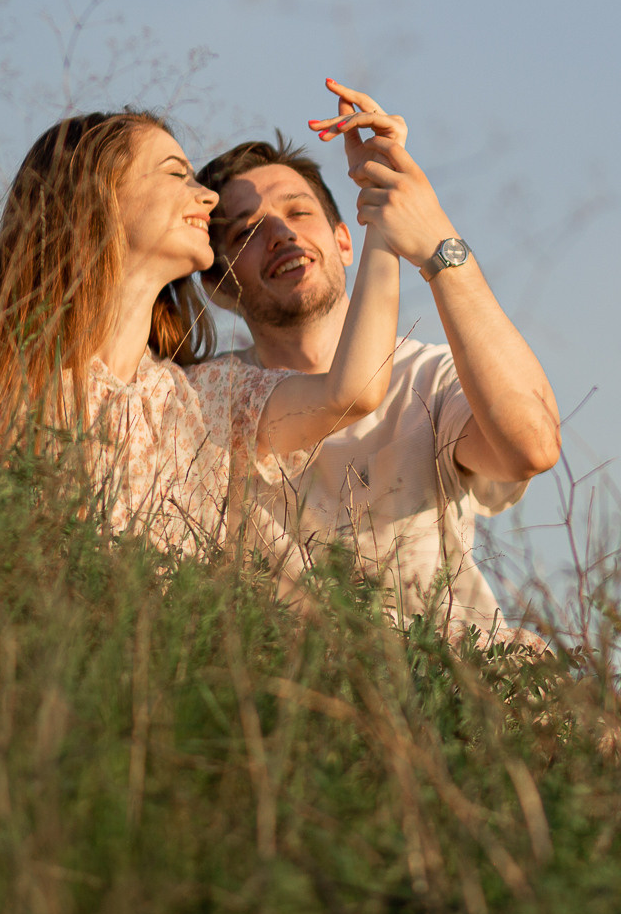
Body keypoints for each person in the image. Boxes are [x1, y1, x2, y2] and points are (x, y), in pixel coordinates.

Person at [0, 108, 403, 554]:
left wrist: (382, 213)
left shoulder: (208, 400)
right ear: (98, 195)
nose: (208, 197)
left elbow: (353, 391)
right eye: (176, 174)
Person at [190, 79, 561, 642]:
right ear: (218, 284)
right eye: (248, 231)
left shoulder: (426, 377)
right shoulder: (203, 399)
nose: (283, 234)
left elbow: (531, 445)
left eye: (299, 211)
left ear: (345, 240)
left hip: (464, 695)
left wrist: (434, 235)